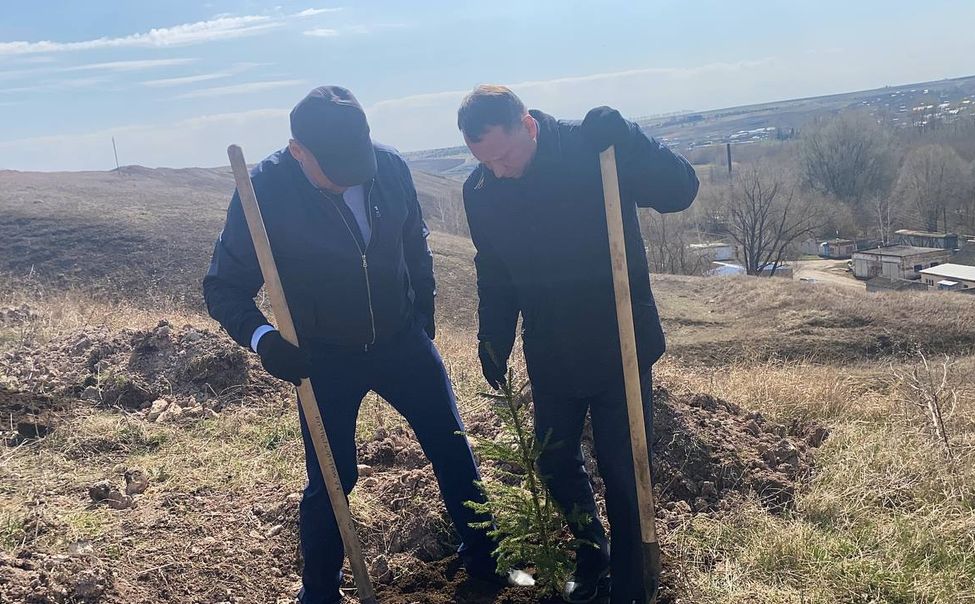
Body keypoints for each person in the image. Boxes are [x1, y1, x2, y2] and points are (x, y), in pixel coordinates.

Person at [203, 85, 520, 604]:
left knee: (453, 448)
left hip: (401, 340)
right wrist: (265, 341)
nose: (351, 175)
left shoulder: (387, 167)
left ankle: (488, 567)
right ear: (297, 150)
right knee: (332, 481)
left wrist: (424, 312)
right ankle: (320, 593)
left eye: (359, 161)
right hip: (321, 357)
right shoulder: (264, 191)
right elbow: (223, 287)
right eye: (335, 167)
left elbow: (414, 242)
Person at [457, 85, 699, 604]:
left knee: (625, 470)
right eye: (484, 161)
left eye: (503, 155)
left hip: (620, 343)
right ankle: (594, 557)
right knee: (554, 461)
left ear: (528, 124)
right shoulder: (480, 190)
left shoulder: (594, 149)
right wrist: (492, 334)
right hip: (551, 348)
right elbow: (494, 270)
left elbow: (681, 191)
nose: (497, 170)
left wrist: (632, 140)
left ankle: (633, 584)